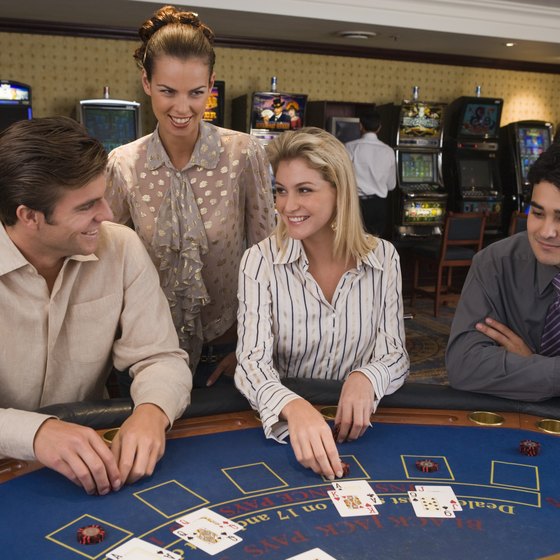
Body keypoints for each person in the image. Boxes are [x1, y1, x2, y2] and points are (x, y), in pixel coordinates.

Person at [0, 116, 192, 495]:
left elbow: (161, 357)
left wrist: (152, 411)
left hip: (93, 461)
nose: (105, 214)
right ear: (29, 216)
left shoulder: (121, 248)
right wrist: (35, 432)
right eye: (87, 205)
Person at [106, 6, 275, 388]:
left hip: (227, 346)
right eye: (167, 91)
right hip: (147, 351)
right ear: (146, 82)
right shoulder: (123, 164)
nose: (182, 108)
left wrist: (253, 347)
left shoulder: (243, 154)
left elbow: (271, 257)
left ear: (211, 84)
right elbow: (107, 265)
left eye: (196, 93)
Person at [235, 127, 409, 480]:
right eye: (281, 191)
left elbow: (396, 354)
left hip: (357, 429)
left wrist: (366, 377)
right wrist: (293, 406)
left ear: (339, 192)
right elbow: (250, 364)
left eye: (305, 190)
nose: (287, 206)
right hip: (287, 429)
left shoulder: (385, 258)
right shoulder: (259, 261)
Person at [446, 143, 560, 401]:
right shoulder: (495, 262)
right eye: (538, 213)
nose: (546, 232)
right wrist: (549, 372)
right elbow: (464, 365)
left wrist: (530, 365)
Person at [345, 109, 396, 237]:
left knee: (353, 243)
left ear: (360, 126)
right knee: (375, 246)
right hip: (379, 205)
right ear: (379, 128)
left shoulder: (349, 147)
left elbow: (342, 178)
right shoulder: (389, 151)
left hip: (357, 204)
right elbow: (391, 186)